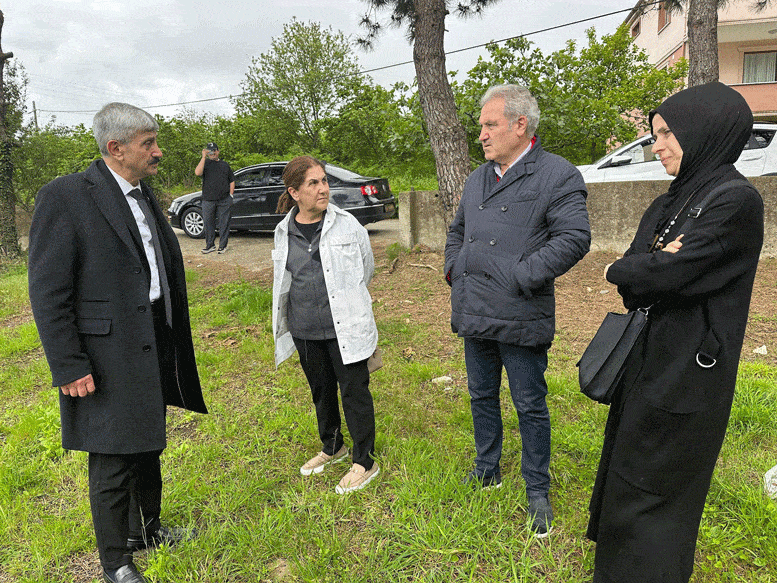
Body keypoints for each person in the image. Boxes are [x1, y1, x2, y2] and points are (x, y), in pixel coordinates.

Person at [587, 82, 764, 583]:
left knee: (659, 493)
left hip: (688, 375)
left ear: (704, 132)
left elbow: (661, 274)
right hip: (644, 364)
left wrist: (648, 266)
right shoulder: (672, 202)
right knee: (627, 476)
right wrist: (646, 265)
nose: (656, 144)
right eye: (654, 133)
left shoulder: (736, 201)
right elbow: (633, 277)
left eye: (667, 133)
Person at [28, 102, 208, 583]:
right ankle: (116, 563)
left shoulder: (143, 192)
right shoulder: (65, 196)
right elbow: (48, 292)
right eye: (149, 143)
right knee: (111, 454)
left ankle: (147, 530)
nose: (158, 151)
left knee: (147, 440)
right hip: (104, 351)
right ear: (116, 147)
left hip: (149, 334)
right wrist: (68, 365)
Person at [444, 84, 590, 537]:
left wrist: (523, 276)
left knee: (529, 404)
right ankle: (487, 468)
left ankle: (537, 489)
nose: (482, 135)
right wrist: (454, 267)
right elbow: (457, 230)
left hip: (520, 311)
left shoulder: (558, 175)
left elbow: (573, 238)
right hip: (474, 307)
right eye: (481, 127)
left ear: (519, 125)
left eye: (490, 125)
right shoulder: (476, 178)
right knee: (481, 394)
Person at [271, 156, 380, 494]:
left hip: (344, 328)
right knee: (321, 392)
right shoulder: (282, 231)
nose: (323, 188)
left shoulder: (348, 225)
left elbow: (366, 269)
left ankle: (365, 461)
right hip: (304, 329)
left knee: (354, 392)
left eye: (324, 181)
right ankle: (333, 446)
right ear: (294, 192)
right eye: (313, 184)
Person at [195, 141, 235, 254]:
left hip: (224, 199)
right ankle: (210, 245)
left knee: (224, 223)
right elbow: (197, 173)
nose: (212, 153)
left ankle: (222, 246)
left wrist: (231, 195)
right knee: (208, 223)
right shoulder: (205, 163)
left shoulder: (224, 165)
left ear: (218, 151)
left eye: (214, 151)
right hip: (208, 200)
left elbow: (232, 180)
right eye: (209, 151)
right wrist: (203, 157)